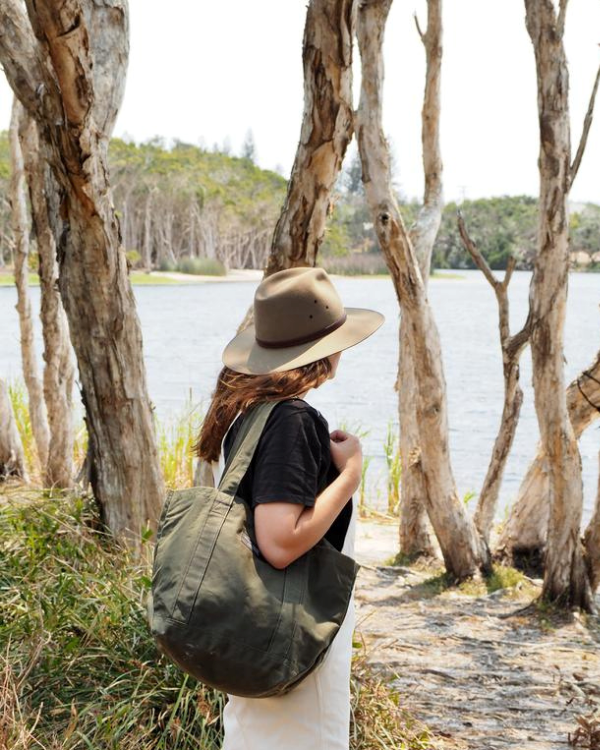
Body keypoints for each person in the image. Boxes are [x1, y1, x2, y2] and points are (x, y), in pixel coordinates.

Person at [193, 265, 384, 750]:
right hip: (292, 644)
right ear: (326, 349)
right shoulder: (291, 421)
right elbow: (279, 541)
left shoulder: (250, 415)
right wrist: (350, 475)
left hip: (256, 634)